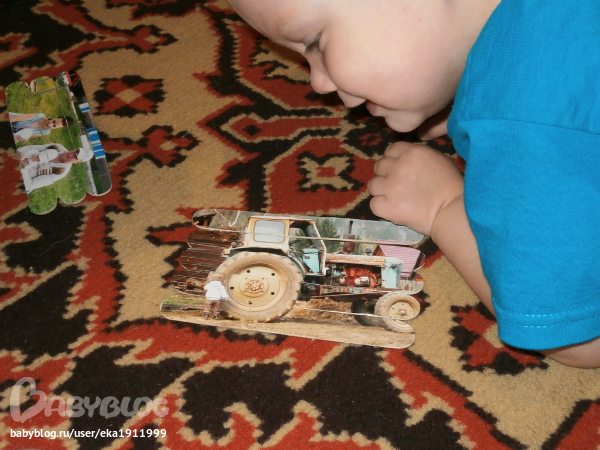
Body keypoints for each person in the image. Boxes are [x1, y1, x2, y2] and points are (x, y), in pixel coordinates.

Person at [228, 0, 600, 368]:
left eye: (314, 42)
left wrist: (444, 207)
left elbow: (579, 343)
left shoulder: (525, 129)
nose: (318, 82)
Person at [18, 144, 94, 193]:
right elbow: (32, 147)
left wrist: (23, 167)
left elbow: (29, 186)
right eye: (76, 152)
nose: (71, 155)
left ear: (77, 162)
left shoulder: (61, 171)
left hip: (23, 176)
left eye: (75, 157)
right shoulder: (57, 147)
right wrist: (19, 153)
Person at [9, 112, 74, 143]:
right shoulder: (39, 116)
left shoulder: (45, 132)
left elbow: (22, 137)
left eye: (54, 126)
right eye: (53, 121)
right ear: (55, 117)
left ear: (56, 129)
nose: (50, 124)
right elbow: (13, 119)